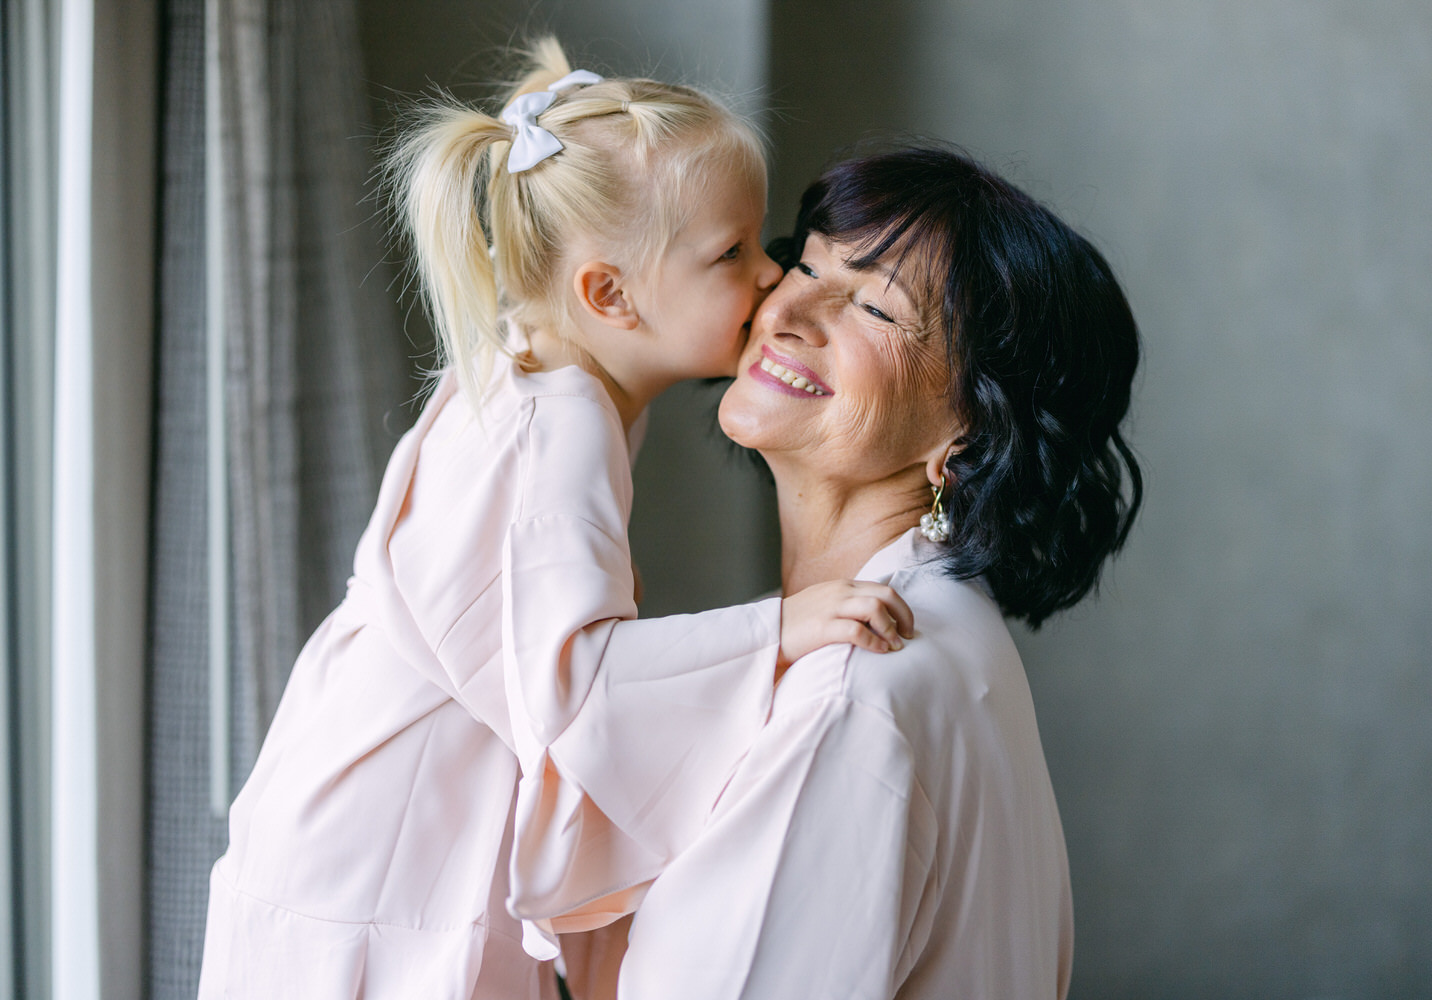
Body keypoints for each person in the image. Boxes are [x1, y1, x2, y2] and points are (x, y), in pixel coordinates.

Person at [197, 40, 913, 1000]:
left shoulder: (544, 371)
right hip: (383, 849)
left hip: (348, 808)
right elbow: (575, 687)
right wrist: (777, 632)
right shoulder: (559, 425)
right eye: (730, 253)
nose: (769, 277)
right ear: (609, 294)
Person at [607, 145, 1143, 999]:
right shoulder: (950, 629)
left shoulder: (850, 696)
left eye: (875, 310)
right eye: (808, 263)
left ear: (969, 433)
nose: (787, 309)